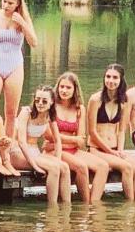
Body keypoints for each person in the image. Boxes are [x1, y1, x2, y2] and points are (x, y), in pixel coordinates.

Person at [44, 72, 110, 203]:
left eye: (68, 88)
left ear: (75, 90)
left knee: (103, 166)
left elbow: (81, 141)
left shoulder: (80, 109)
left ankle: (93, 204)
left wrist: (63, 141)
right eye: (61, 87)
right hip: (54, 151)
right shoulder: (51, 106)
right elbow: (49, 136)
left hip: (70, 149)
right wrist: (72, 140)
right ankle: (86, 205)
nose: (64, 90)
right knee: (81, 167)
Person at [0, 0, 38, 139]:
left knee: (11, 113)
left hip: (14, 66)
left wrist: (22, 23)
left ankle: (6, 150)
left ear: (18, 4)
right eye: (4, 1)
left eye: (10, 3)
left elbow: (34, 43)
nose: (6, 6)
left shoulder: (22, 19)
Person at [87, 64, 135, 202]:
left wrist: (119, 150)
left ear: (121, 80)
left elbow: (121, 130)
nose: (110, 81)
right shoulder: (96, 100)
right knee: (126, 168)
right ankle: (130, 205)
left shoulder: (124, 100)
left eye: (115, 77)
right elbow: (92, 131)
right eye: (108, 77)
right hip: (97, 149)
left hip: (114, 148)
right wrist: (111, 152)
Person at [10, 85, 71, 205]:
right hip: (18, 152)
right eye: (37, 100)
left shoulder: (50, 116)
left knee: (64, 167)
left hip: (34, 151)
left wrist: (57, 160)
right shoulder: (26, 112)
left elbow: (57, 140)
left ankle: (66, 207)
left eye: (44, 101)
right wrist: (35, 166)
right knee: (53, 168)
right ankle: (52, 208)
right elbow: (21, 142)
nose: (40, 104)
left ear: (51, 102)